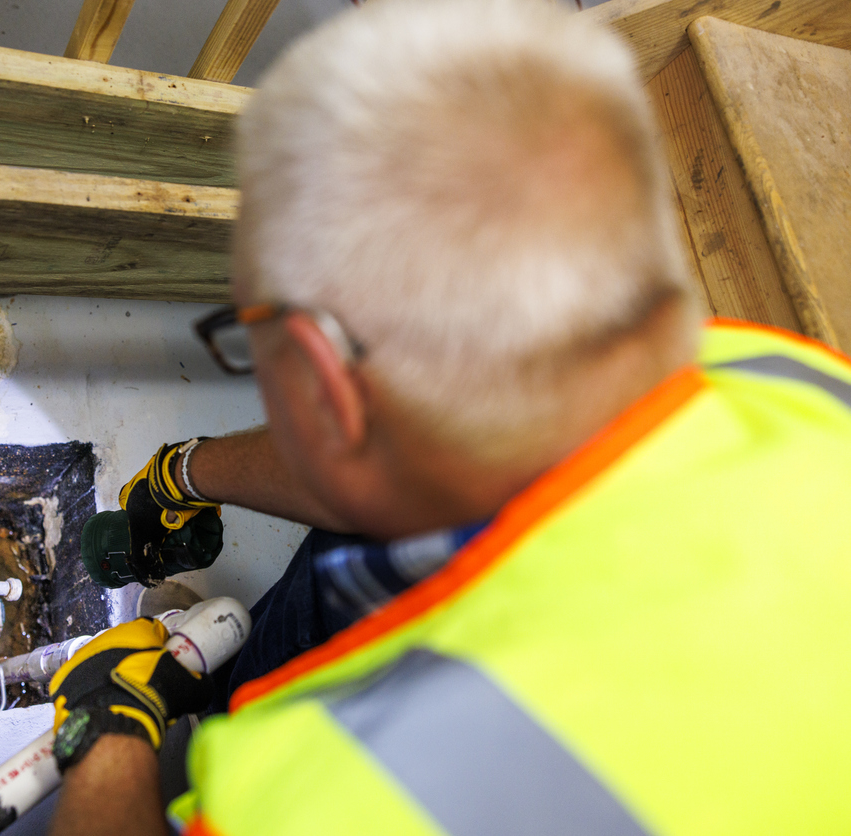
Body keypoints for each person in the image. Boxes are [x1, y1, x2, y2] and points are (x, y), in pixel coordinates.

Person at [45, 0, 851, 834]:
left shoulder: (349, 796)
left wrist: (107, 734)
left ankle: (217, 707)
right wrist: (184, 471)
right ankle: (217, 680)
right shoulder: (774, 389)